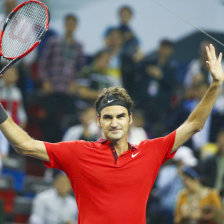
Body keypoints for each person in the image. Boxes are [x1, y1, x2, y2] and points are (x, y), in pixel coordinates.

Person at [0, 44, 222, 224]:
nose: (114, 123)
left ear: (130, 119)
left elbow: (194, 124)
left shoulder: (151, 151)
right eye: (108, 117)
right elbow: (24, 145)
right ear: (98, 121)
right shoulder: (78, 152)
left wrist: (215, 84)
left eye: (120, 116)